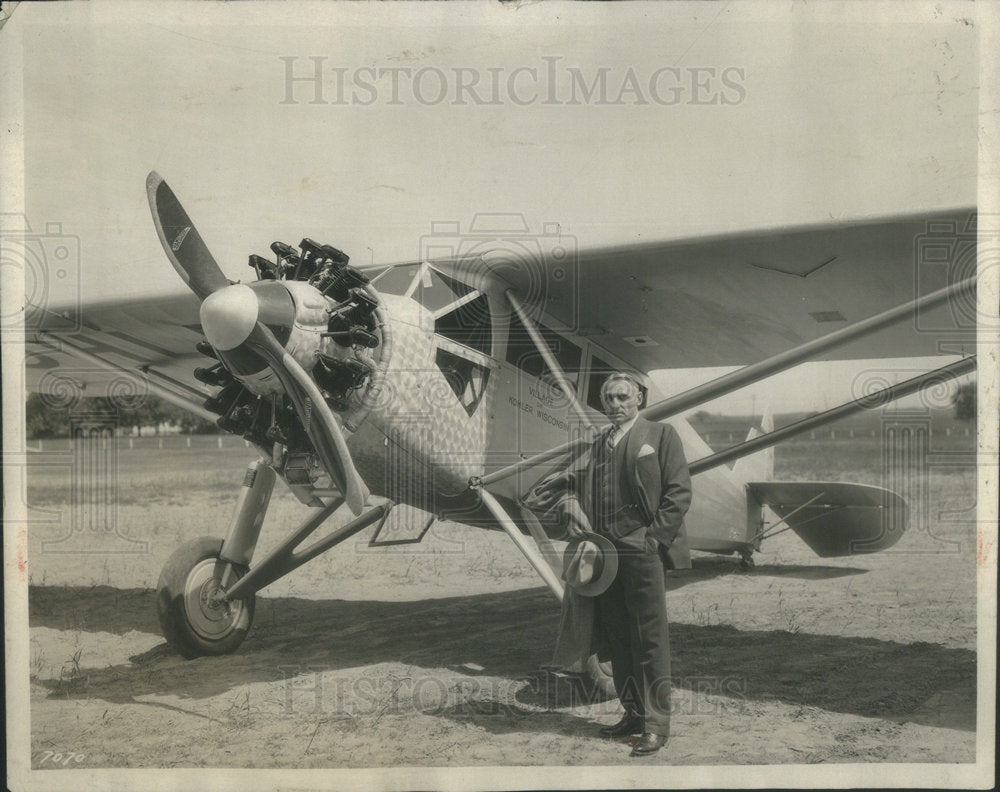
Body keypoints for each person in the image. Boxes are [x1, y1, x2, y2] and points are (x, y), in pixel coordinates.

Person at [566, 371, 692, 757]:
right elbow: (572, 481)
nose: (616, 405)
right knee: (619, 636)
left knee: (649, 639)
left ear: (639, 398)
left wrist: (653, 540)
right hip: (607, 555)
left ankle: (656, 725)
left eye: (623, 397)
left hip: (642, 550)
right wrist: (570, 502)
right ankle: (633, 714)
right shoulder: (599, 442)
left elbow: (679, 491)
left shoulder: (661, 435)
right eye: (610, 399)